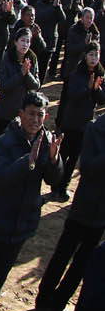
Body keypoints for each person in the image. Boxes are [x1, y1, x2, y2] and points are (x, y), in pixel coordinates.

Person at [0, 92, 63, 311]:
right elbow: (0, 178)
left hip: (21, 227)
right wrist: (28, 162)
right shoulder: (5, 141)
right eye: (31, 114)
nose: (35, 120)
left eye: (40, 115)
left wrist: (54, 159)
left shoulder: (46, 141)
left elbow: (54, 181)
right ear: (20, 114)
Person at [37, 93, 105, 311]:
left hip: (102, 214)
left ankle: (60, 301)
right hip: (84, 207)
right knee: (62, 255)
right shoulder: (96, 129)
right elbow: (87, 167)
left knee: (83, 261)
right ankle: (43, 300)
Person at [50, 42, 105, 201]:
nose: (94, 58)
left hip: (85, 123)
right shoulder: (77, 73)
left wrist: (96, 89)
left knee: (74, 158)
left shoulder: (101, 74)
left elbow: (102, 101)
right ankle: (55, 185)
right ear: (85, 56)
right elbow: (72, 96)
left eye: (96, 55)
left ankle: (64, 186)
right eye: (91, 54)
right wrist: (87, 89)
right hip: (71, 121)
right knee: (64, 154)